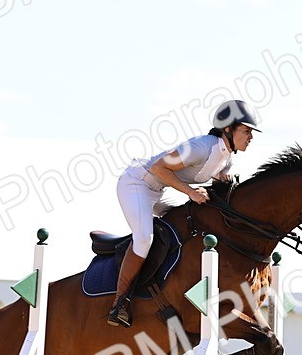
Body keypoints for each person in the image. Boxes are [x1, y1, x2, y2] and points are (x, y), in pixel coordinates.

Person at [107, 100, 261, 327]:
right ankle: (119, 302)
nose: (251, 137)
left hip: (158, 191)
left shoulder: (226, 156)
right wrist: (190, 192)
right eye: (247, 131)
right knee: (144, 238)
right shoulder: (202, 146)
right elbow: (159, 167)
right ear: (228, 129)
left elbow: (216, 176)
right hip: (136, 184)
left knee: (182, 225)